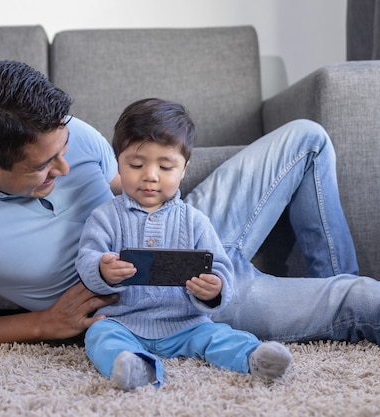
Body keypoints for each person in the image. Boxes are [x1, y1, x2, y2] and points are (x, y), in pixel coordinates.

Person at [0, 60, 380, 356]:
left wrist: (174, 209)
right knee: (370, 303)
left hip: (189, 232)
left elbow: (121, 194)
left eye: (65, 152)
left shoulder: (65, 134)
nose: (64, 169)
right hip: (154, 304)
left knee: (305, 138)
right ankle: (335, 304)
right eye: (43, 169)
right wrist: (43, 323)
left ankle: (324, 292)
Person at [75, 98, 293, 391]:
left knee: (219, 335)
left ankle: (254, 357)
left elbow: (220, 267)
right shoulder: (104, 216)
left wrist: (214, 289)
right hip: (122, 321)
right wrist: (102, 270)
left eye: (165, 167)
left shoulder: (195, 221)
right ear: (118, 163)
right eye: (136, 164)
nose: (150, 175)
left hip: (186, 324)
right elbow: (86, 258)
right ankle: (137, 368)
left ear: (184, 169)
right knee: (99, 334)